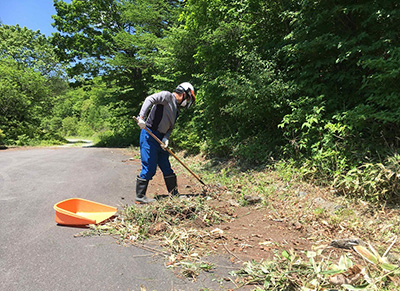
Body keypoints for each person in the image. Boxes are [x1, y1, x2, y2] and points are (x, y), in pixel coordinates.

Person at [134, 82, 196, 204]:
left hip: (160, 139)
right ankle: (140, 197)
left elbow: (170, 128)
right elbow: (150, 99)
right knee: (150, 167)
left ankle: (174, 194)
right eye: (188, 98)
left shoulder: (176, 110)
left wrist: (166, 138)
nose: (187, 101)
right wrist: (141, 117)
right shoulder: (167, 96)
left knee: (166, 167)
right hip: (149, 135)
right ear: (183, 93)